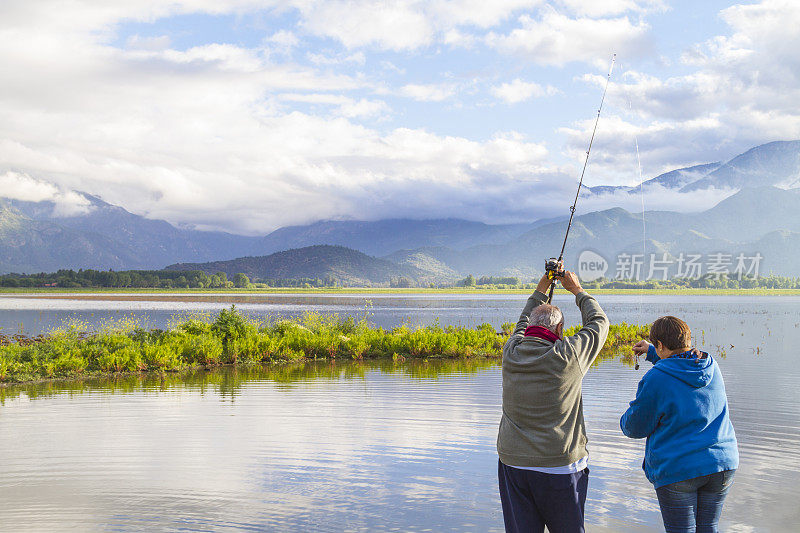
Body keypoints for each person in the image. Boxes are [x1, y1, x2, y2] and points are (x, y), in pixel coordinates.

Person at [497, 268, 609, 533]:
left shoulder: (511, 351)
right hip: (561, 467)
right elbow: (599, 324)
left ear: (530, 329)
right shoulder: (568, 355)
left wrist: (540, 290)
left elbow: (522, 324)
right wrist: (577, 290)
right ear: (560, 329)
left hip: (514, 463)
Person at [620, 316, 739, 533]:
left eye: (657, 346)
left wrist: (624, 419)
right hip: (721, 463)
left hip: (679, 468)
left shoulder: (656, 378)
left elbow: (635, 427)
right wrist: (651, 351)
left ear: (662, 345)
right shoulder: (710, 365)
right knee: (709, 529)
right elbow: (679, 364)